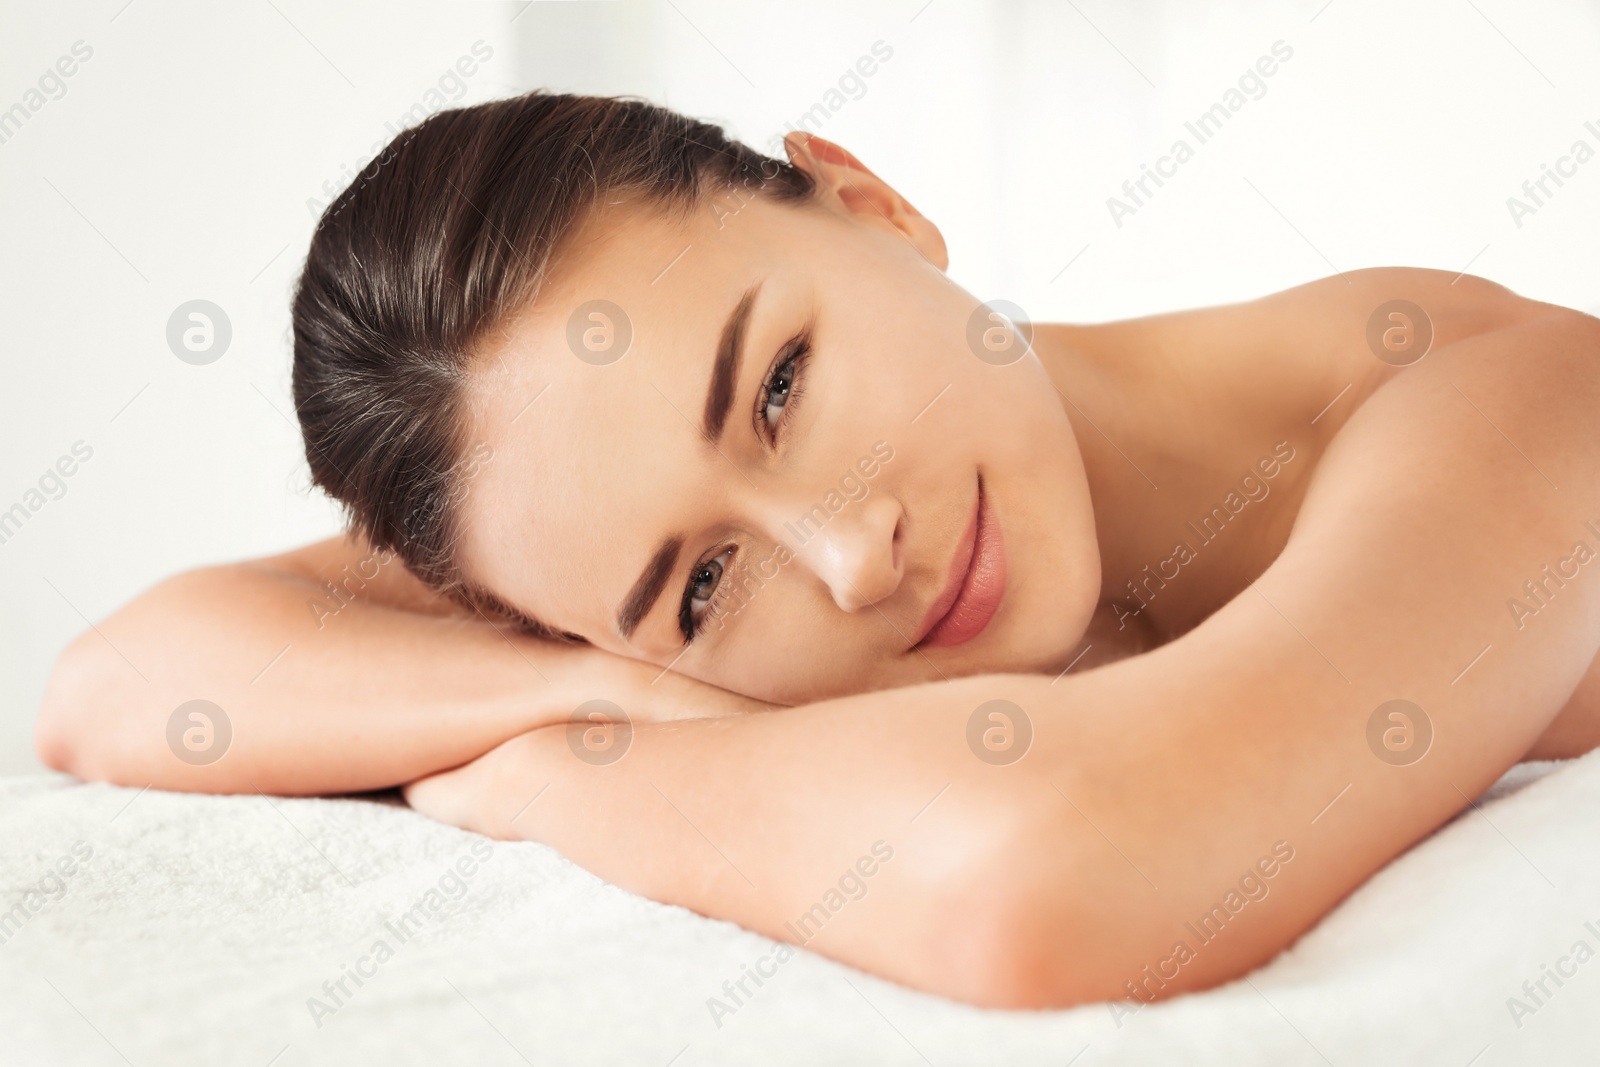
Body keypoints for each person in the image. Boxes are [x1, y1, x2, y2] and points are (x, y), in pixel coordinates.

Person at [34, 92, 1600, 1011]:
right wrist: (594, 679)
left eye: (780, 389)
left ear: (871, 203)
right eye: (702, 586)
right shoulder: (605, 615)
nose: (855, 560)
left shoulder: (1484, 395)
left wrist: (556, 770)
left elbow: (1057, 873)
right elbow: (123, 683)